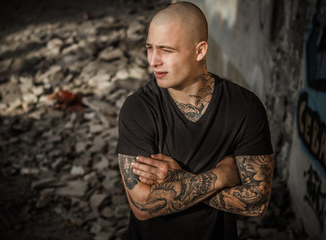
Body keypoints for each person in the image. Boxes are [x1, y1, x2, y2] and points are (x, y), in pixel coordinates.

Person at [116, 2, 274, 240]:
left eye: (166, 50)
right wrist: (221, 176)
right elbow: (142, 206)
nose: (153, 61)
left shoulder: (245, 107)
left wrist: (177, 179)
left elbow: (257, 203)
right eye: (150, 47)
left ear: (200, 51)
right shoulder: (139, 109)